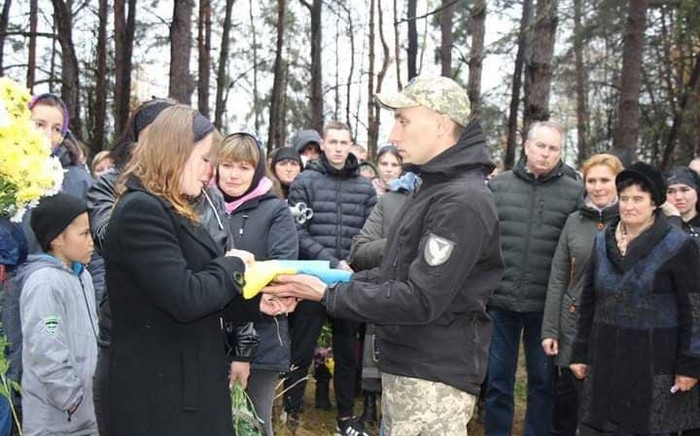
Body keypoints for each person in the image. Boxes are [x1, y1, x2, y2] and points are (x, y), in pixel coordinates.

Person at [265, 75, 504, 435]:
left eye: (403, 121)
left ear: (440, 124)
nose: (394, 135)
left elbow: (420, 298)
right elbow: (394, 273)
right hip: (412, 367)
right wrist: (322, 284)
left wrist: (328, 294)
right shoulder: (434, 189)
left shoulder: (462, 200)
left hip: (432, 378)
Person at [102, 105, 293, 435]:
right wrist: (234, 264)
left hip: (187, 383)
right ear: (175, 152)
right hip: (159, 395)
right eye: (206, 159)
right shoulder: (141, 211)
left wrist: (257, 304)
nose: (211, 171)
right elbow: (185, 297)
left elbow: (197, 289)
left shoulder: (174, 206)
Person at [570, 162, 700, 434]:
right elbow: (588, 301)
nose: (629, 206)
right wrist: (579, 352)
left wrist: (690, 365)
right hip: (605, 355)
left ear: (654, 203)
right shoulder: (602, 240)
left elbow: (694, 309)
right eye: (625, 198)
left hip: (654, 360)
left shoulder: (677, 244)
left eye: (638, 199)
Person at [485, 121, 583, 436]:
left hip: (546, 305)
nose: (545, 153)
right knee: (498, 378)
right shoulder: (498, 187)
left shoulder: (574, 192)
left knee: (542, 381)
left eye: (553, 148)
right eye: (540, 146)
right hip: (500, 300)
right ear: (527, 146)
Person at [283, 121, 376, 435]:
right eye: (332, 142)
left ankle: (345, 418)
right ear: (322, 144)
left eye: (343, 142)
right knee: (302, 348)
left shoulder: (365, 188)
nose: (337, 148)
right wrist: (332, 261)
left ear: (351, 145)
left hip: (348, 282)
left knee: (347, 353)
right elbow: (297, 232)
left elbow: (371, 234)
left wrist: (353, 262)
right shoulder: (304, 182)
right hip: (312, 277)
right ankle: (291, 412)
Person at [211, 132, 298, 436]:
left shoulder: (274, 211)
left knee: (254, 423)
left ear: (257, 170)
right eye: (227, 165)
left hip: (262, 336)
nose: (233, 175)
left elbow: (280, 273)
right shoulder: (203, 205)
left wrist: (243, 350)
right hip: (208, 335)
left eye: (244, 167)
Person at [541, 153, 623, 436]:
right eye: (591, 181)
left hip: (614, 331)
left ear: (618, 183)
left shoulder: (630, 219)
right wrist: (550, 329)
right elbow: (558, 277)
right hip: (573, 328)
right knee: (568, 407)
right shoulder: (573, 221)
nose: (597, 187)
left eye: (605, 180)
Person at [15, 193, 98, 436]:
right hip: (56, 422)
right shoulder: (44, 283)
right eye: (84, 234)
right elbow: (45, 348)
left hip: (84, 417)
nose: (92, 241)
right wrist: (71, 398)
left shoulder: (83, 276)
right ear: (57, 239)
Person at [349, 167, 417, 429]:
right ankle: (371, 406)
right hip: (388, 302)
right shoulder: (389, 201)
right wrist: (398, 243)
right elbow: (359, 252)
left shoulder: (455, 200)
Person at [666, 166, 700, 238]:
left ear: (697, 192)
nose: (678, 197)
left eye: (685, 190)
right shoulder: (656, 227)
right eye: (670, 191)